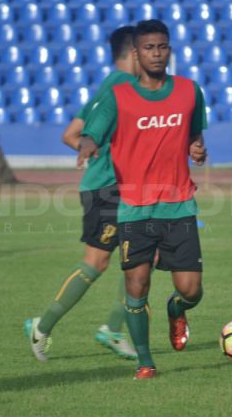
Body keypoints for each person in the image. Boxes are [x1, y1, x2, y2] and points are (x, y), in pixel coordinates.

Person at [79, 19, 208, 379]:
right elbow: (93, 130)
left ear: (169, 49)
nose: (156, 53)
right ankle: (145, 361)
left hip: (179, 204)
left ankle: (177, 310)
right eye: (149, 48)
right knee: (137, 285)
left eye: (162, 46)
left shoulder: (189, 91)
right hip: (134, 208)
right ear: (136, 53)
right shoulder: (119, 97)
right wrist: (87, 145)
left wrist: (197, 147)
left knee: (192, 290)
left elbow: (194, 132)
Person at [23, 26, 141, 362]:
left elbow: (70, 134)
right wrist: (101, 159)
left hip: (120, 187)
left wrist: (92, 151)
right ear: (135, 52)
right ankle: (41, 326)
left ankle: (113, 330)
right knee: (96, 262)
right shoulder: (123, 85)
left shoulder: (109, 85)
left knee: (145, 257)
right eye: (147, 49)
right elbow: (77, 137)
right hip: (108, 189)